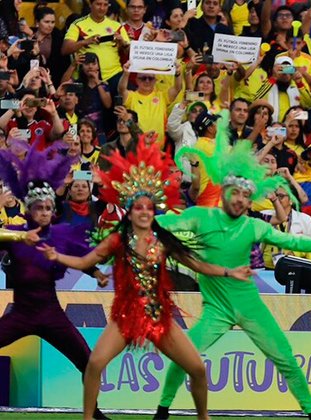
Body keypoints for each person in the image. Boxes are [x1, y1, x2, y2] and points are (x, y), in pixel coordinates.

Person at [37, 138, 254, 420]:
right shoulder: (118, 239)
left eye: (148, 208)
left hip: (159, 316)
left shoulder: (163, 240)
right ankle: (88, 418)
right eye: (138, 208)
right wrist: (57, 257)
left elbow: (197, 265)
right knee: (95, 364)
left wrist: (229, 272)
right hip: (125, 316)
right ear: (130, 210)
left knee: (198, 369)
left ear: (154, 212)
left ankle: (204, 417)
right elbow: (84, 261)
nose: (143, 212)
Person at [154, 119, 311, 420]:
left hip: (250, 307)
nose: (241, 200)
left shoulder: (254, 226)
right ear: (224, 193)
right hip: (215, 311)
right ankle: (162, 411)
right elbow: (163, 224)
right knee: (183, 358)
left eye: (247, 196)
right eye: (236, 193)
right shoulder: (199, 217)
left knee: (286, 359)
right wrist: (140, 214)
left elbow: (291, 239)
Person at [0, 141, 109, 420]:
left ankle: (93, 412)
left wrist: (95, 273)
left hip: (51, 314)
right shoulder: (17, 233)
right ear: (29, 210)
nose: (45, 212)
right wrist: (18, 237)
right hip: (20, 313)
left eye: (49, 208)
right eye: (39, 208)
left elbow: (80, 256)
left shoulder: (59, 235)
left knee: (89, 361)